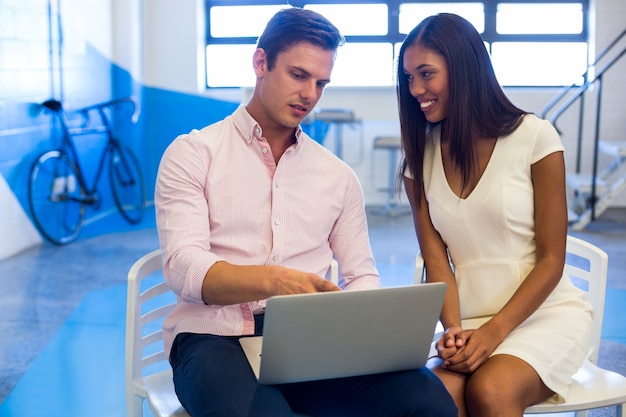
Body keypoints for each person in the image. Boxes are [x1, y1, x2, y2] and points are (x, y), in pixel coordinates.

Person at [155, 7, 457, 417]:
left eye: (321, 83)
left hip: (314, 339)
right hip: (213, 338)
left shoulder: (337, 176)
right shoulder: (192, 154)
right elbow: (183, 266)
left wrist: (368, 324)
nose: (310, 95)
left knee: (430, 402)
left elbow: (362, 273)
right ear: (261, 63)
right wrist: (274, 281)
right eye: (298, 76)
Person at [396, 12, 594, 417]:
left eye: (426, 74)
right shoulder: (420, 158)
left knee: (490, 390)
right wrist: (454, 331)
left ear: (463, 67)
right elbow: (437, 261)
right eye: (409, 78)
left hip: (544, 315)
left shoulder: (535, 137)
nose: (416, 89)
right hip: (468, 319)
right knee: (434, 396)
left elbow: (553, 260)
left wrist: (494, 332)